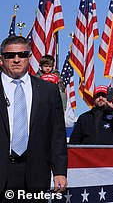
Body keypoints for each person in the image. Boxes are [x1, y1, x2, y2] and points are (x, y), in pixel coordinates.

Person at [0, 36, 67, 196]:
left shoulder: (49, 91)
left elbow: (57, 135)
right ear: (1, 59)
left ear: (29, 58)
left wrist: (59, 171)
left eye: (22, 54)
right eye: (10, 55)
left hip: (35, 175)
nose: (17, 59)